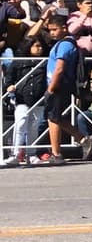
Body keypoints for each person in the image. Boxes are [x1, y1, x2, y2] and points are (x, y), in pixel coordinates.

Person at [41, 13, 90, 164]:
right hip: (59, 85)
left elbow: (60, 68)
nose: (52, 33)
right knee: (56, 117)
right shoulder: (63, 44)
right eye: (50, 30)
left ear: (64, 28)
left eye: (54, 29)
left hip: (59, 85)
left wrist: (51, 88)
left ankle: (56, 154)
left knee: (53, 118)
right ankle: (83, 139)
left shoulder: (65, 45)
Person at [3, 36, 46, 166]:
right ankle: (15, 153)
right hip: (22, 98)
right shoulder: (19, 62)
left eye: (40, 46)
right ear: (29, 46)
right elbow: (9, 78)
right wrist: (9, 86)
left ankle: (31, 153)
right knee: (20, 123)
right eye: (36, 46)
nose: (39, 49)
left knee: (33, 127)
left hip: (39, 99)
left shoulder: (44, 62)